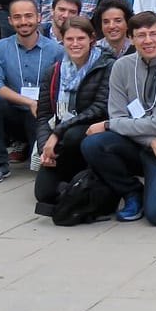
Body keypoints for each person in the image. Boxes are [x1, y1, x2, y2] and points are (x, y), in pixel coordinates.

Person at [80, 11, 156, 224]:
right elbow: (118, 113)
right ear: (131, 38)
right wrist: (151, 140)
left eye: (154, 34)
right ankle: (132, 191)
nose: (148, 40)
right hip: (137, 142)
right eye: (141, 35)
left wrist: (108, 124)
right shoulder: (121, 66)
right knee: (93, 143)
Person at [31, 16, 115, 216]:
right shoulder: (54, 71)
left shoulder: (107, 66)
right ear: (62, 40)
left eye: (81, 38)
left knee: (73, 135)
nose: (75, 44)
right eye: (70, 39)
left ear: (91, 39)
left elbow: (100, 107)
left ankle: (87, 181)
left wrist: (57, 133)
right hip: (61, 142)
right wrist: (45, 147)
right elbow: (44, 114)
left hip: (90, 134)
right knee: (43, 194)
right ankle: (73, 187)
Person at [0, 0, 63, 182]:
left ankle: (32, 149)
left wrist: (39, 106)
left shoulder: (56, 50)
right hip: (12, 112)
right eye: (17, 17)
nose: (23, 22)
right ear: (9, 20)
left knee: (43, 167)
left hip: (41, 116)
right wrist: (29, 102)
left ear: (39, 17)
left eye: (28, 16)